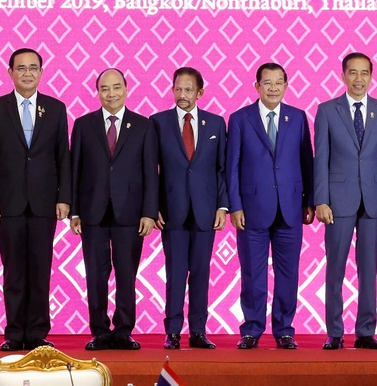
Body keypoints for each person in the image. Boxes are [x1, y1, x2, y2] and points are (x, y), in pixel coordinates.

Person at [0, 48, 71, 352]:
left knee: (40, 270)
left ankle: (38, 332)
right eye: (21, 68)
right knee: (14, 271)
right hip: (8, 204)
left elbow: (63, 158)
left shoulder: (56, 109)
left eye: (33, 68)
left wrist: (64, 198)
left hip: (45, 203)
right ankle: (14, 331)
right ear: (10, 73)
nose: (28, 73)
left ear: (42, 73)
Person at [227, 62, 314, 350]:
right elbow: (233, 167)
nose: (274, 87)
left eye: (279, 82)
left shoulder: (298, 117)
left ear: (286, 86)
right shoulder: (240, 119)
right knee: (253, 273)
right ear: (257, 86)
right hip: (251, 210)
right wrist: (235, 205)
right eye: (268, 82)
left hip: (290, 208)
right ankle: (251, 329)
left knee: (289, 274)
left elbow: (306, 162)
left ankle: (285, 330)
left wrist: (309, 201)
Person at [69, 69, 157, 351]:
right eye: (105, 89)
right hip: (92, 211)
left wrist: (149, 212)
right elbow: (75, 170)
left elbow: (150, 173)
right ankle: (99, 331)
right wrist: (74, 212)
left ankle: (123, 330)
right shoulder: (84, 125)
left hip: (130, 213)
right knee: (95, 273)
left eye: (116, 87)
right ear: (97, 92)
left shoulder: (143, 126)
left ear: (127, 88)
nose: (111, 94)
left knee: (126, 274)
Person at [314, 53, 377, 350]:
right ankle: (335, 332)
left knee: (369, 269)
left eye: (364, 73)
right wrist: (321, 199)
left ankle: (365, 331)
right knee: (335, 268)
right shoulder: (326, 110)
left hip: (374, 201)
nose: (359, 79)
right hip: (337, 202)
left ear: (372, 76)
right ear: (343, 75)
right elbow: (320, 158)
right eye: (353, 73)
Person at [151, 67, 227, 350]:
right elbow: (151, 170)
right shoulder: (157, 123)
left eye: (188, 90)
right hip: (171, 210)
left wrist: (223, 206)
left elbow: (222, 169)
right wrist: (152, 207)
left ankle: (198, 330)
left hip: (206, 211)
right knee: (175, 271)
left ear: (200, 93)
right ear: (172, 91)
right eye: (178, 89)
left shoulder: (216, 124)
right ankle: (172, 331)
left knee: (201, 272)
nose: (182, 95)